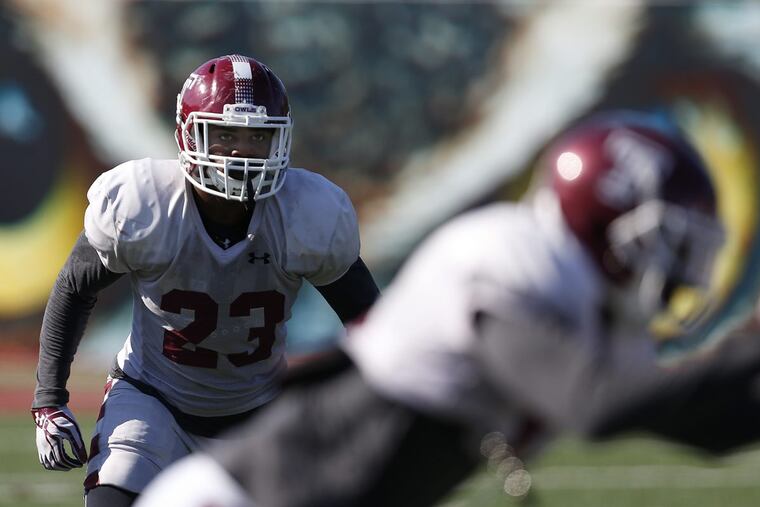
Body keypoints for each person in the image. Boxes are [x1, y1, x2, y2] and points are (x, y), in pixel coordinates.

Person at [133, 109, 760, 507]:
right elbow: (594, 403)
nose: (678, 272)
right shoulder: (510, 254)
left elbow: (701, 426)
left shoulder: (589, 305)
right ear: (607, 219)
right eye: (670, 244)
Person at [30, 54, 380, 507]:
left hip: (260, 414)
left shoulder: (307, 213)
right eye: (225, 133)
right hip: (153, 402)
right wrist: (48, 399)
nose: (241, 151)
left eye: (258, 136)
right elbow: (75, 287)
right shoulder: (144, 204)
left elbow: (371, 320)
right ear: (187, 134)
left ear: (281, 140)